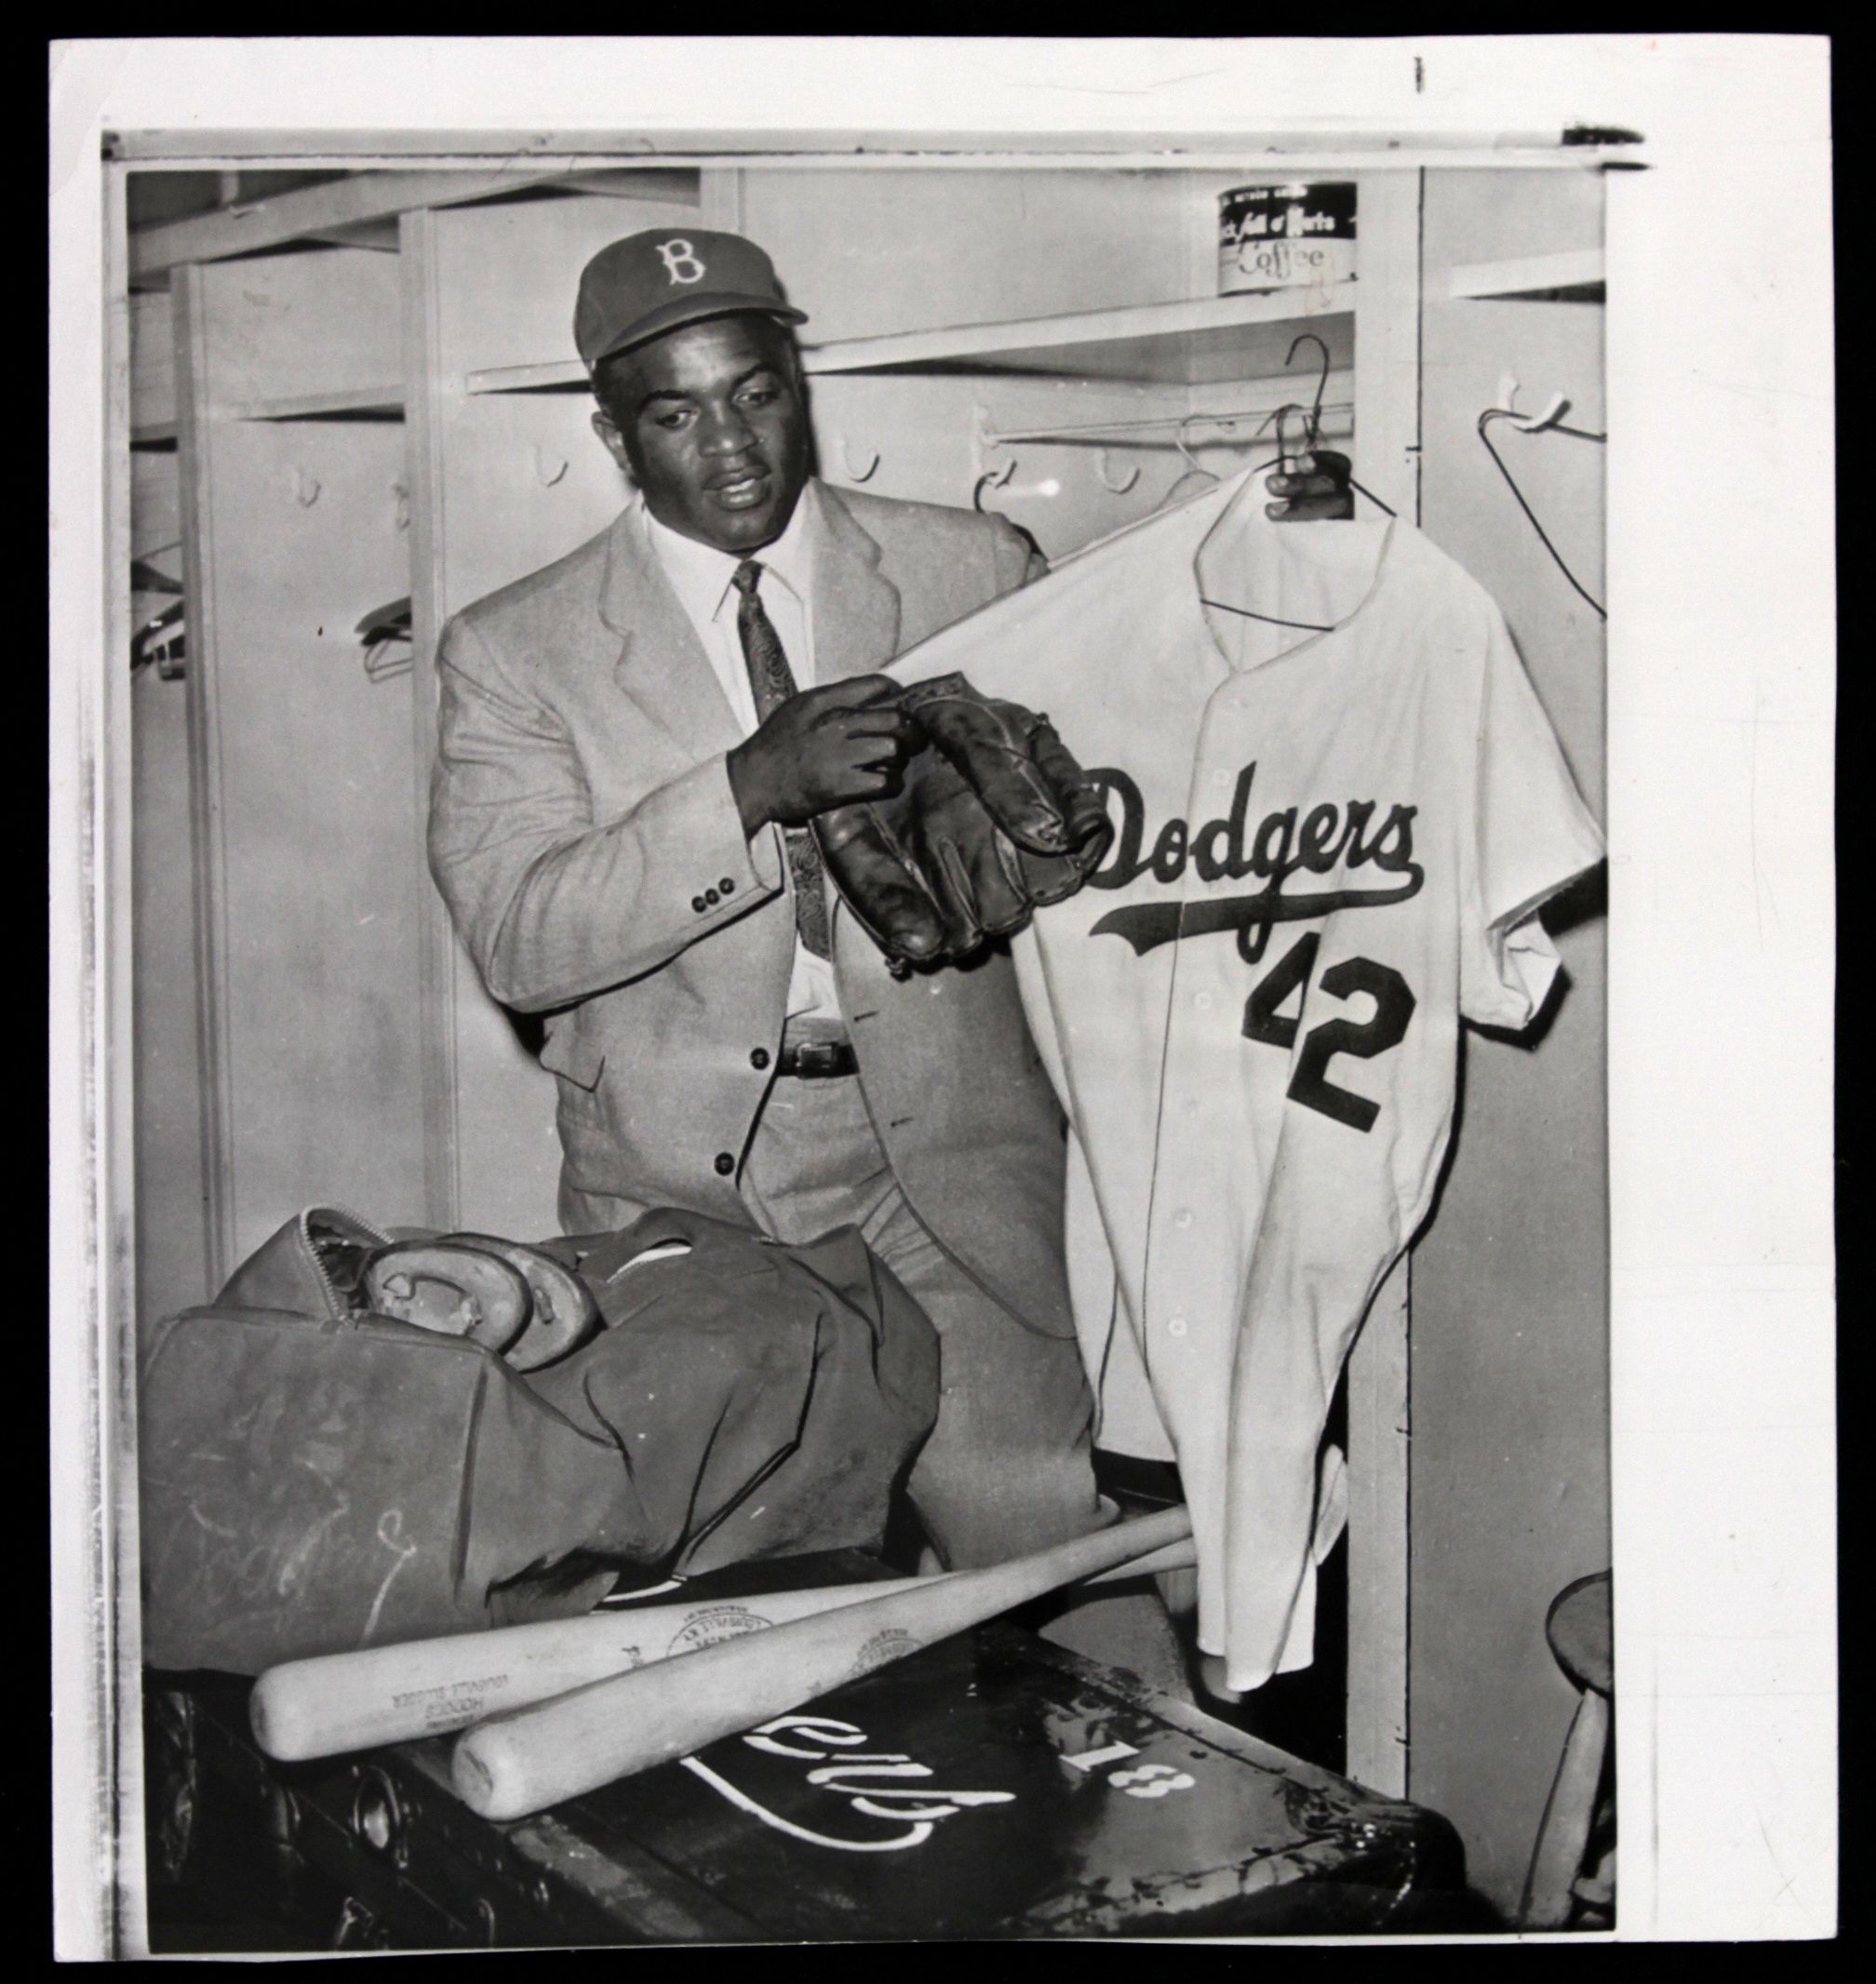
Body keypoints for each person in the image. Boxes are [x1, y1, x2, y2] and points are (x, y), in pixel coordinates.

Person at [427, 227, 1351, 1682]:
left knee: (1040, 1545)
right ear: (612, 436)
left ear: (802, 386)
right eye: (676, 415)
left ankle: (1164, 1871)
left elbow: (1118, 834)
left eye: (758, 393)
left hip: (947, 1148)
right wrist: (747, 787)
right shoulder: (514, 647)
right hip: (679, 1181)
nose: (731, 446)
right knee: (720, 1601)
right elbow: (522, 936)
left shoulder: (972, 562)